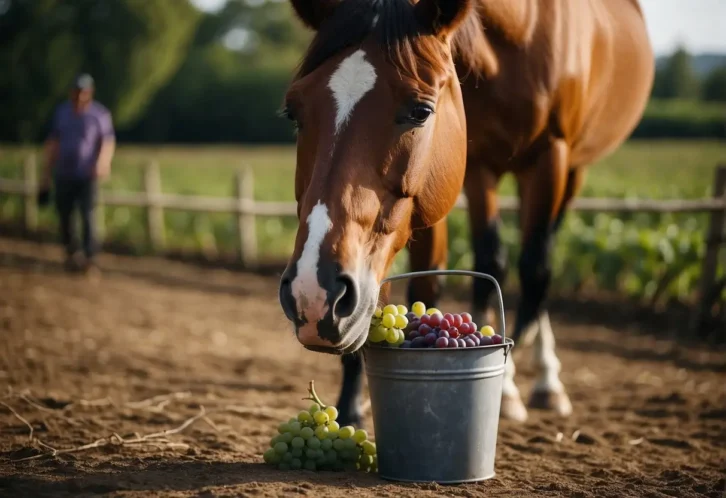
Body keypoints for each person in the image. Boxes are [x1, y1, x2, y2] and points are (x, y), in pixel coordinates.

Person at [40, 73, 116, 273]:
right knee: (65, 214)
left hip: (86, 174)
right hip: (64, 173)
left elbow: (107, 142)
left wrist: (102, 163)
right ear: (71, 93)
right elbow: (53, 142)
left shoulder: (99, 114)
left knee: (88, 214)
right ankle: (71, 252)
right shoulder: (62, 113)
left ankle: (90, 257)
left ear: (90, 93)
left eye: (84, 93)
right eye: (77, 93)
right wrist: (46, 173)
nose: (80, 97)